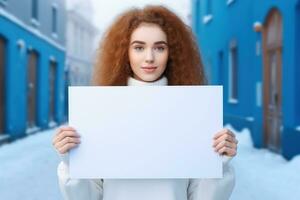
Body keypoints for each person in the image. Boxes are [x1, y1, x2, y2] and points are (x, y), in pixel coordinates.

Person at [52, 5, 238, 200]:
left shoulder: (192, 112)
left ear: (172, 53)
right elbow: (88, 197)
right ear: (125, 53)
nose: (149, 58)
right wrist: (71, 161)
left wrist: (220, 163)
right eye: (139, 47)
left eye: (159, 48)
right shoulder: (102, 111)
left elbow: (201, 196)